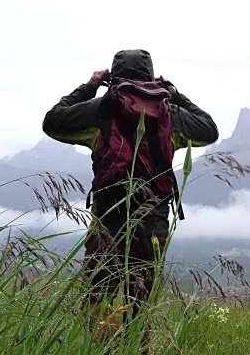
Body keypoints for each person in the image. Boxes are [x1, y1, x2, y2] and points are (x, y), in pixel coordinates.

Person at [42, 49, 219, 351]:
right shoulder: (170, 115)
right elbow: (209, 130)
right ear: (152, 79)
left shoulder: (102, 110)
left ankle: (103, 350)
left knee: (98, 300)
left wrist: (90, 85)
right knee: (140, 308)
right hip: (153, 227)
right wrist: (175, 95)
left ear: (113, 77)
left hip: (108, 223)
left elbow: (53, 121)